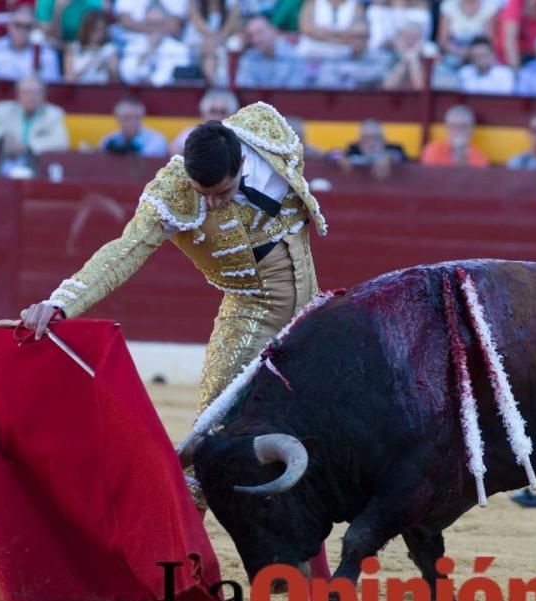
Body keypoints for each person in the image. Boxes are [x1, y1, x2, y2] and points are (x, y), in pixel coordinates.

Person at [18, 103, 329, 509]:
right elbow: (124, 251)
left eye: (223, 193)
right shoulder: (172, 194)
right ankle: (177, 553)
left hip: (311, 311)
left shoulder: (265, 132)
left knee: (323, 427)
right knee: (210, 434)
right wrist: (61, 303)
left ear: (241, 162)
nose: (214, 205)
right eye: (206, 195)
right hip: (253, 310)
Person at [0, 74, 69, 178]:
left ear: (44, 95)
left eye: (36, 93)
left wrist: (28, 146)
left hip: (36, 171)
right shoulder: (3, 110)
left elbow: (61, 142)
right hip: (3, 171)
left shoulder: (53, 114)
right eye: (26, 93)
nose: (31, 97)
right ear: (18, 94)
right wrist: (3, 137)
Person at [0, 6, 61, 81]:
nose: (22, 30)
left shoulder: (46, 53)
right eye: (17, 25)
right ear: (9, 27)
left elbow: (51, 87)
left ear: (34, 29)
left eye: (27, 27)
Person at [118, 6, 191, 87]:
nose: (154, 28)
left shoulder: (180, 49)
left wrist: (153, 81)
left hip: (168, 94)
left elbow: (180, 78)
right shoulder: (132, 46)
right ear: (144, 24)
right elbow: (127, 76)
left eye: (159, 24)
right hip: (138, 93)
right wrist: (147, 51)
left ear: (165, 24)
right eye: (150, 24)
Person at [312, 18, 392, 89]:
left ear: (368, 38)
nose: (357, 41)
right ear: (347, 37)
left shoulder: (381, 58)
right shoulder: (336, 57)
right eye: (354, 36)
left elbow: (385, 82)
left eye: (362, 36)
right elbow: (324, 82)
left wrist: (346, 76)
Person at [235, 15, 308, 88]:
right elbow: (247, 91)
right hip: (258, 99)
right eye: (251, 35)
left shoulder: (293, 56)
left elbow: (295, 91)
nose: (256, 39)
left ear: (273, 31)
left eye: (260, 32)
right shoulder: (248, 59)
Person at [330, 118, 407, 179]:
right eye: (366, 139)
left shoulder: (394, 150)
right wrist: (339, 158)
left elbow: (399, 156)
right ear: (359, 141)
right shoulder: (353, 152)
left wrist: (388, 158)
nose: (371, 143)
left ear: (384, 141)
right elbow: (332, 153)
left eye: (375, 138)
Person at [170, 88, 238, 155]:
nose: (217, 117)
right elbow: (174, 151)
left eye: (223, 112)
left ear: (231, 115)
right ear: (204, 113)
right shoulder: (191, 132)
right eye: (212, 111)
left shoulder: (238, 136)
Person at [421, 105, 489, 167]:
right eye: (453, 126)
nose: (458, 130)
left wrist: (461, 155)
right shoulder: (433, 150)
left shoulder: (480, 157)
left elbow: (475, 179)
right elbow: (430, 177)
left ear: (472, 129)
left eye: (463, 126)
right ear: (447, 127)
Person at [99, 97, 168, 157]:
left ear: (142, 118)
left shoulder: (156, 140)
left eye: (136, 118)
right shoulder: (108, 140)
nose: (131, 123)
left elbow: (146, 162)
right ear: (118, 119)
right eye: (126, 118)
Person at [63, 8, 118, 83]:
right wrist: (88, 64)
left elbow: (115, 81)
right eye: (94, 29)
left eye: (101, 29)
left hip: (102, 91)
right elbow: (69, 79)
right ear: (86, 29)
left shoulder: (110, 49)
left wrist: (107, 67)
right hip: (78, 92)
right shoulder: (72, 48)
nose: (98, 33)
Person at [296, 0, 363, 60]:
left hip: (342, 59)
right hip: (309, 56)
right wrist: (343, 37)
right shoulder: (312, 2)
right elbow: (306, 29)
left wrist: (320, 31)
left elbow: (358, 34)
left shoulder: (356, 5)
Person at [381, 21, 426, 90]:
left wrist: (413, 61)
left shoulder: (431, 61)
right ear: (398, 40)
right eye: (407, 37)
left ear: (422, 41)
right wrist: (404, 61)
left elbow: (422, 90)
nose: (410, 42)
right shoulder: (385, 59)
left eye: (415, 38)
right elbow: (387, 88)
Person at [37, 0, 103, 44]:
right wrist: (58, 10)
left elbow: (94, 35)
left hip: (81, 48)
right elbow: (49, 38)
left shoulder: (92, 3)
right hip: (55, 48)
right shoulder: (46, 2)